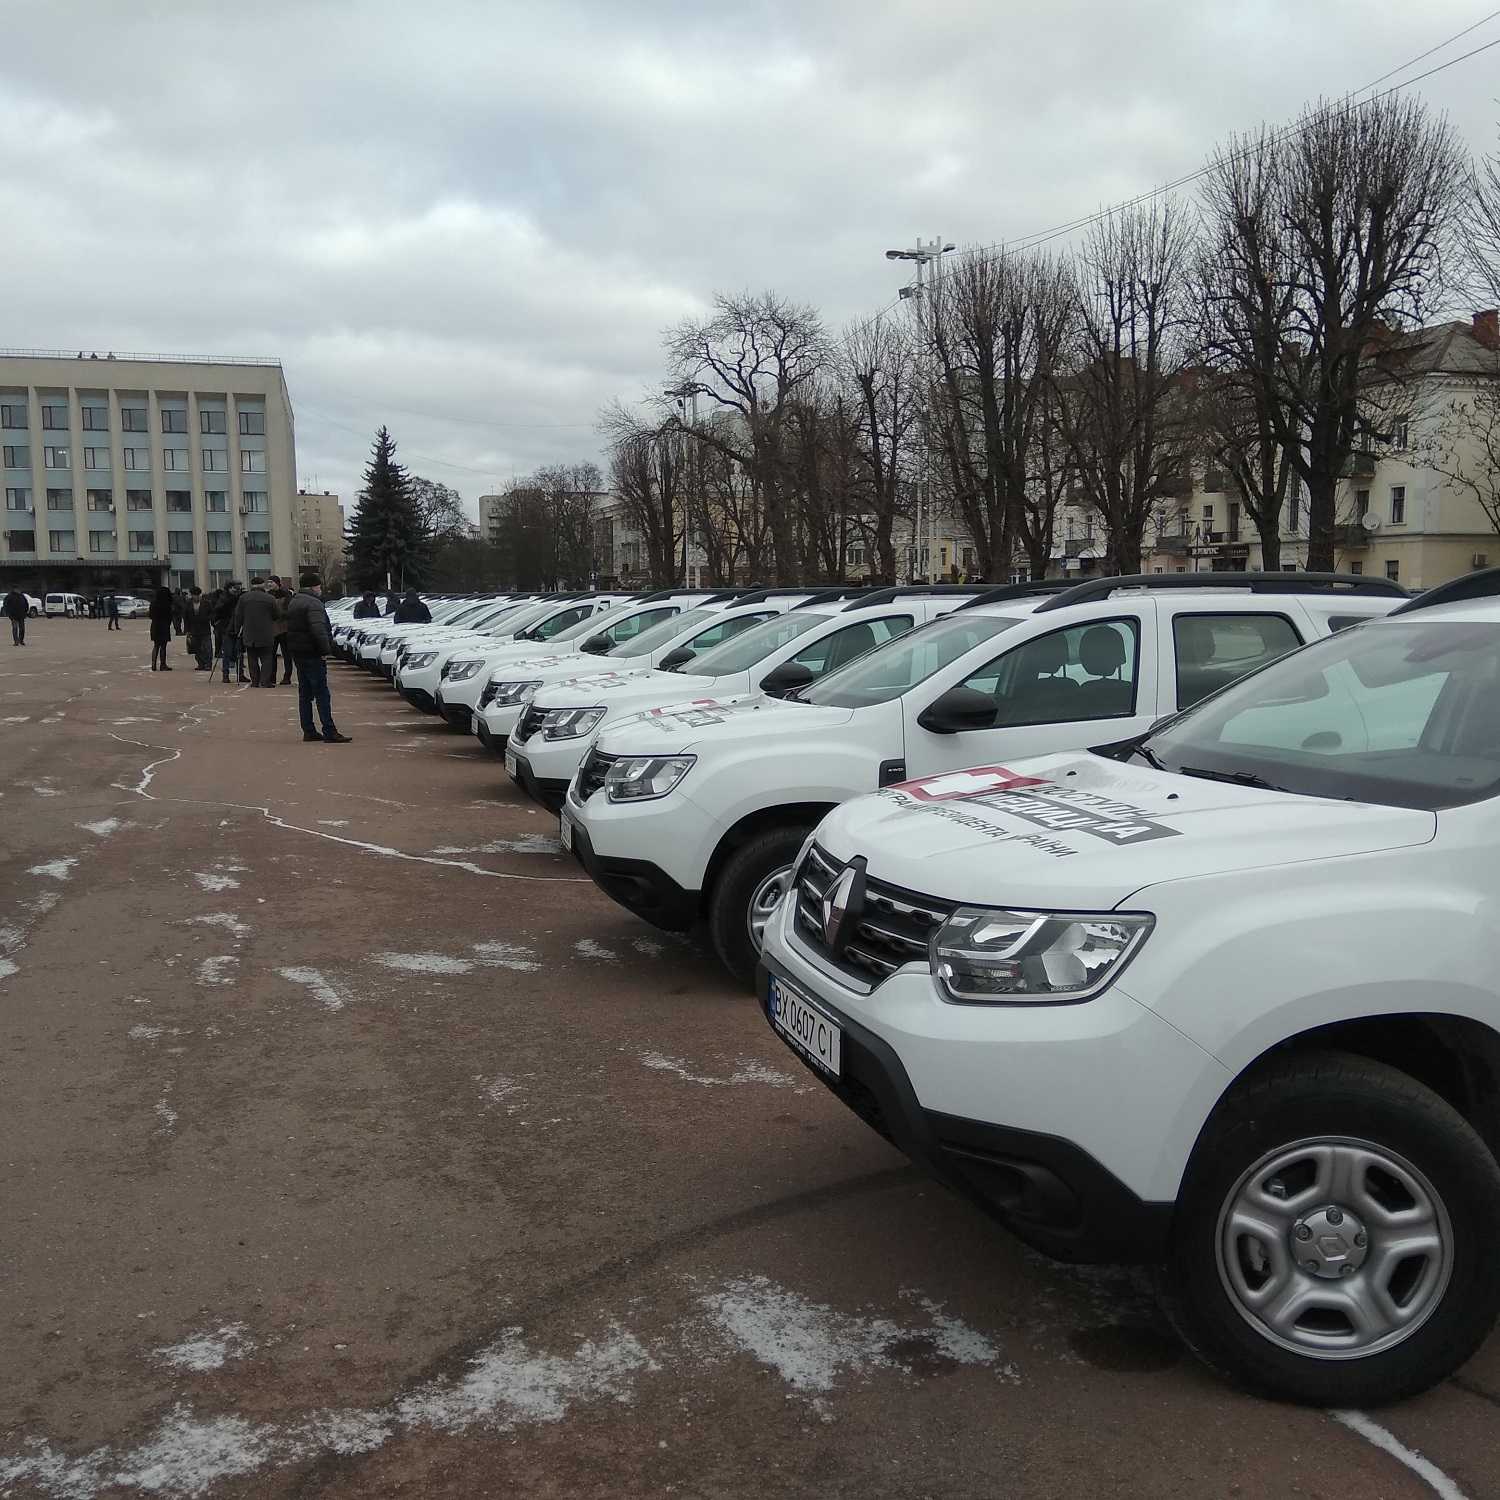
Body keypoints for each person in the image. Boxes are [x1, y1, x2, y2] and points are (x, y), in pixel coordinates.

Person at [285, 573, 351, 743]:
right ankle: (329, 730)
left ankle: (308, 729)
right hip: (313, 653)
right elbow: (318, 630)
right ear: (314, 587)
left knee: (305, 693)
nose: (320, 589)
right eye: (319, 586)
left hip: (298, 651)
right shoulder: (314, 603)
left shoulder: (295, 601)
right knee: (322, 693)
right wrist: (325, 650)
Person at [231, 578, 281, 688]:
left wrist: (237, 630)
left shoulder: (243, 598)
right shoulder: (270, 598)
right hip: (266, 632)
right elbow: (276, 615)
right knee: (267, 658)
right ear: (262, 585)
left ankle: (255, 681)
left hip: (249, 632)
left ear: (251, 585)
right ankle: (265, 681)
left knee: (252, 657)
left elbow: (238, 616)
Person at [213, 581, 247, 683]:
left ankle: (240, 674)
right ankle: (225, 675)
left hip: (238, 627)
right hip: (226, 628)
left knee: (239, 653)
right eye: (234, 588)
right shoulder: (223, 598)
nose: (236, 590)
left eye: (238, 588)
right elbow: (218, 611)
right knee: (227, 653)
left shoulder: (240, 598)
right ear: (228, 588)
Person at [268, 576, 294, 684]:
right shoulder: (268, 595)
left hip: (284, 628)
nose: (269, 584)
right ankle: (272, 676)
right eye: (268, 582)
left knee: (286, 654)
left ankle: (287, 677)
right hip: (272, 629)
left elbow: (289, 610)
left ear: (277, 583)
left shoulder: (286, 594)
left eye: (271, 582)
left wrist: (279, 614)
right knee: (271, 654)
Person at [184, 586, 214, 670]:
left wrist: (207, 619)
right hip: (193, 629)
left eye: (197, 595)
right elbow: (185, 617)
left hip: (204, 628)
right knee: (196, 648)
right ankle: (200, 663)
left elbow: (212, 614)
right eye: (194, 595)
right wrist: (187, 630)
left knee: (207, 647)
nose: (195, 597)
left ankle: (208, 664)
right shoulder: (188, 604)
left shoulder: (206, 603)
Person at [147, 585, 174, 671]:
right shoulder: (167, 604)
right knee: (163, 646)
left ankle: (153, 664)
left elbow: (150, 615)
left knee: (156, 646)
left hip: (155, 625)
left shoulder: (153, 603)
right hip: (164, 626)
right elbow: (170, 616)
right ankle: (163, 665)